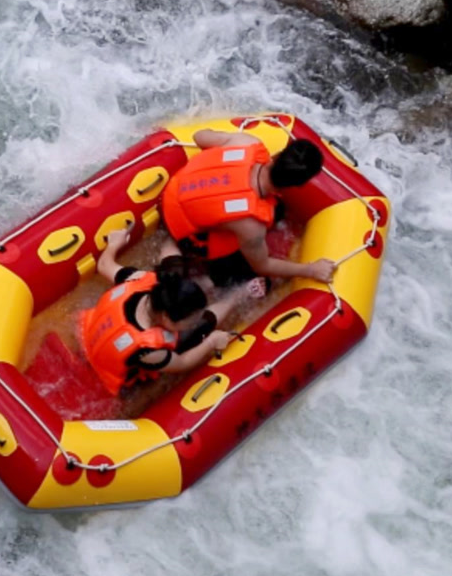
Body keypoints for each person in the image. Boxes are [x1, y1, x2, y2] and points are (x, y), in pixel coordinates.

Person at [160, 129, 337, 291]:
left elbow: (199, 136)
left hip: (170, 196)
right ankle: (209, 281)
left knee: (274, 211)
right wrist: (310, 270)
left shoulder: (246, 142)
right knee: (244, 269)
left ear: (278, 155)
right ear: (296, 185)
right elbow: (263, 265)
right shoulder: (251, 225)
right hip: (184, 230)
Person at [80, 228, 237, 396]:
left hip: (88, 335)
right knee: (197, 331)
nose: (192, 321)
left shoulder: (138, 279)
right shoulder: (149, 351)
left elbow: (104, 265)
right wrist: (212, 342)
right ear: (166, 317)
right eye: (189, 320)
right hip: (108, 374)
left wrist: (114, 244)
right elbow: (182, 363)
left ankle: (172, 234)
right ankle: (237, 295)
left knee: (170, 273)